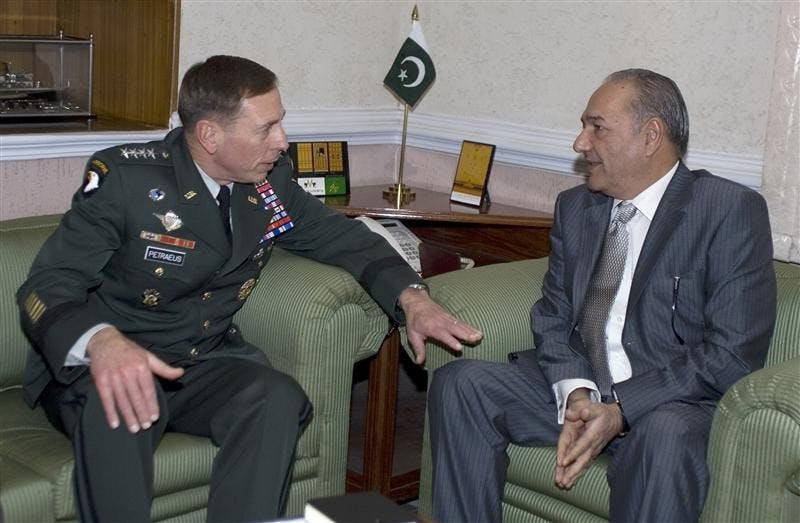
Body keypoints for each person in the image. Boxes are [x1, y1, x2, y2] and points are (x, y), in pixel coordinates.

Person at [16, 55, 483, 523]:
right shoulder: (127, 180)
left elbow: (341, 237)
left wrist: (412, 298)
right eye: (266, 129)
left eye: (281, 123)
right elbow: (48, 285)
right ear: (210, 135)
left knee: (277, 398)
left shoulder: (267, 182)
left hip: (201, 362)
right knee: (127, 406)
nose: (282, 141)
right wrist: (102, 341)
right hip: (113, 364)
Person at [428, 68, 776, 522]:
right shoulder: (577, 208)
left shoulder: (726, 210)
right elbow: (552, 317)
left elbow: (730, 354)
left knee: (665, 435)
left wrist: (621, 408)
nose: (580, 143)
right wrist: (576, 394)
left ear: (650, 136)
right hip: (589, 386)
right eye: (583, 126)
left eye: (597, 127)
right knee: (462, 384)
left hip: (671, 404)